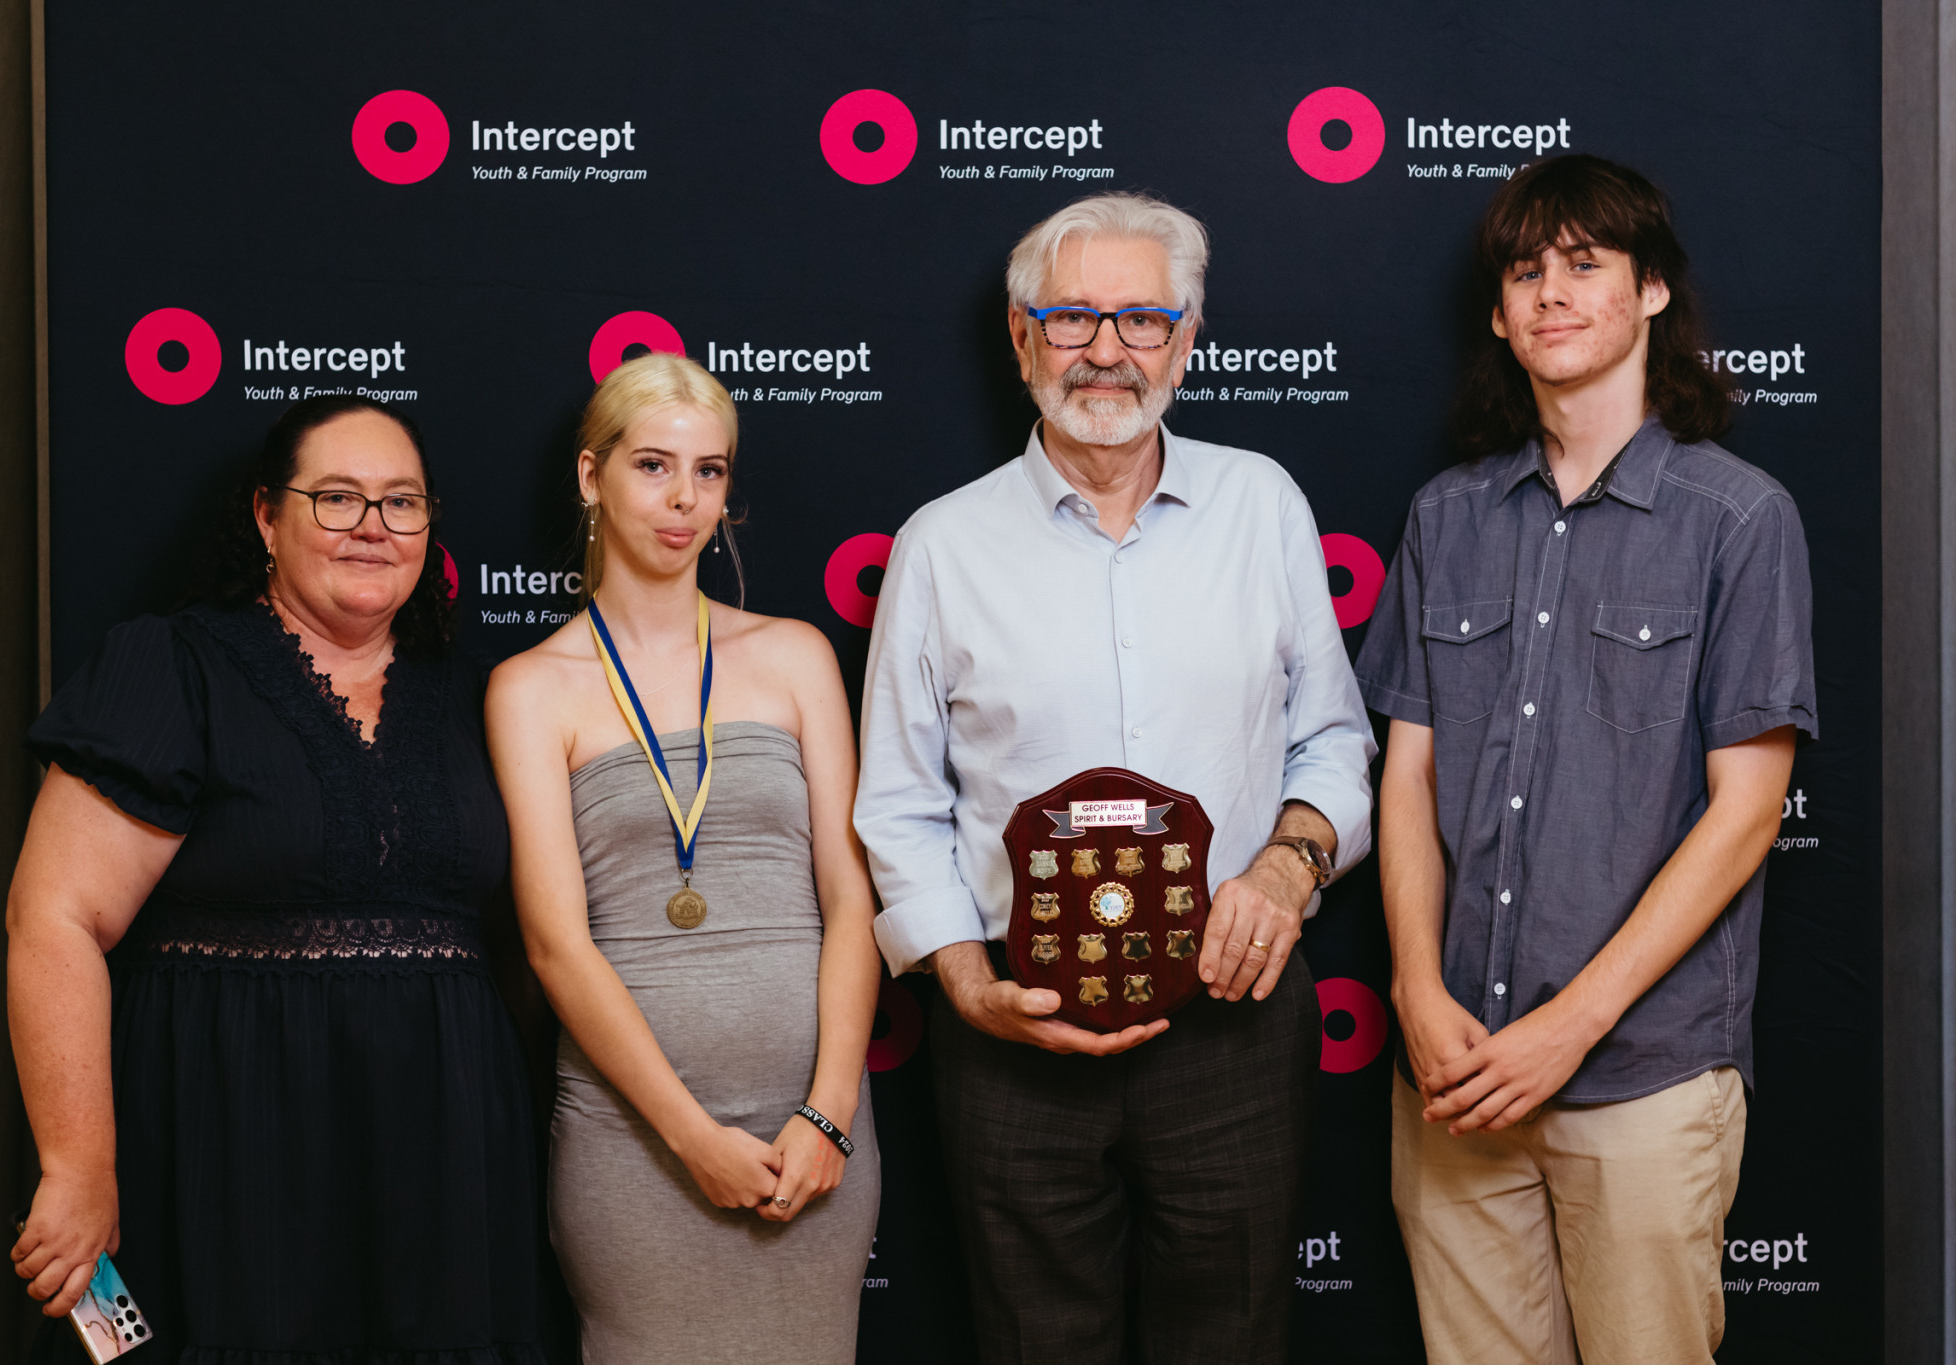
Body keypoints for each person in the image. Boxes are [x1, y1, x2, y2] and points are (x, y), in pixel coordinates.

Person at [854, 192, 1377, 1364]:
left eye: (1141, 319)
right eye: (1073, 317)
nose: (1105, 350)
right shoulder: (940, 543)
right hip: (1013, 1029)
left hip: (1230, 1020)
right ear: (1020, 337)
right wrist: (961, 980)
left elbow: (1335, 743)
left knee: (1231, 1345)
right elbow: (897, 798)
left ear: (1185, 342)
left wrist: (1288, 869)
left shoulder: (1262, 505)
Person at [1355, 154, 1816, 1365]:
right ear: (1499, 316)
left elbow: (1748, 810)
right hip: (1451, 1076)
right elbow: (1405, 774)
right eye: (1524, 272)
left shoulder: (1738, 518)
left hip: (1641, 1076)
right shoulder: (1443, 520)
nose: (1550, 293)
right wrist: (1413, 989)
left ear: (1650, 292)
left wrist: (1571, 1026)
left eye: (1582, 265)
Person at [6, 396, 548, 1361]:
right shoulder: (175, 666)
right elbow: (55, 918)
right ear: (266, 514)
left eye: (402, 501)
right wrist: (77, 1165)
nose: (373, 527)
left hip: (446, 1165)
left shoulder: (485, 695)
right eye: (336, 497)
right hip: (233, 1141)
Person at [487, 353, 882, 1365]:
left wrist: (829, 1113)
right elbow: (553, 943)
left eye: (708, 472)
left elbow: (850, 899)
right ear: (591, 477)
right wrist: (690, 1137)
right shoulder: (530, 688)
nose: (683, 499)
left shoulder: (795, 655)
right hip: (637, 1145)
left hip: (816, 1137)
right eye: (654, 466)